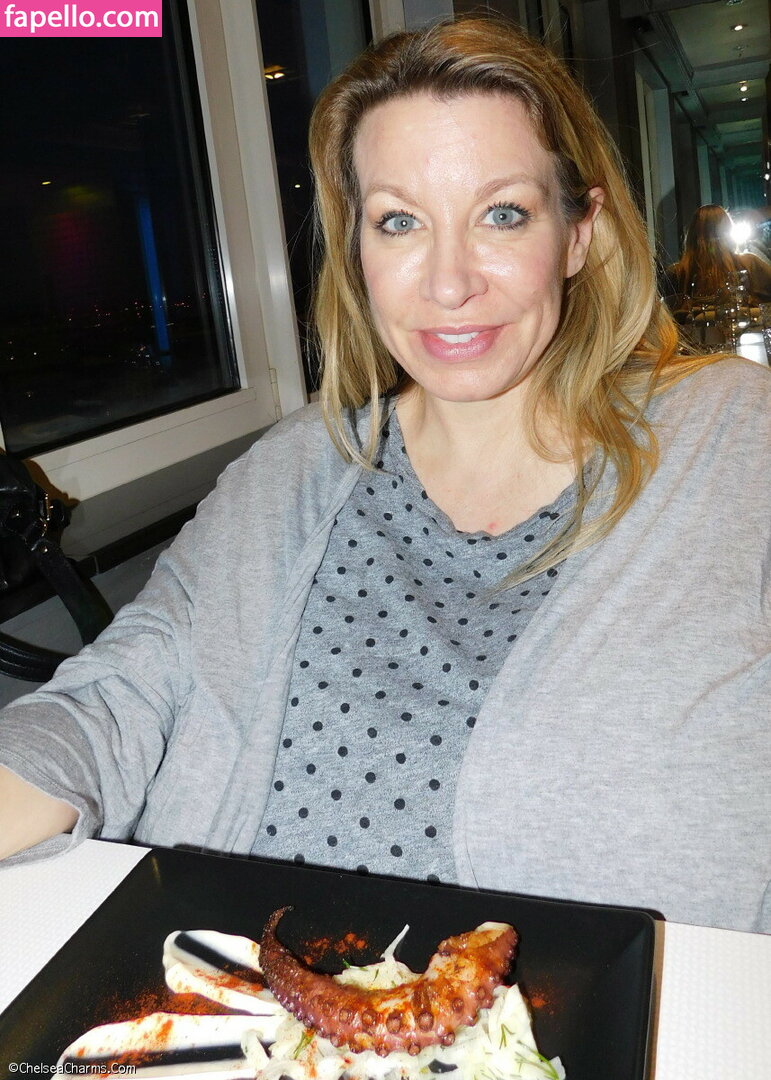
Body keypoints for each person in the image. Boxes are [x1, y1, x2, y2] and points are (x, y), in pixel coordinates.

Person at [0, 18, 768, 934]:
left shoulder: (731, 442)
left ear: (577, 234)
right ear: (356, 250)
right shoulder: (293, 468)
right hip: (221, 996)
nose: (448, 283)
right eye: (399, 221)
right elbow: (117, 692)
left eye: (502, 213)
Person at [662, 203, 771, 312]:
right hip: (744, 322)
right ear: (728, 231)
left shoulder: (676, 273)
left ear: (691, 235)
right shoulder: (749, 264)